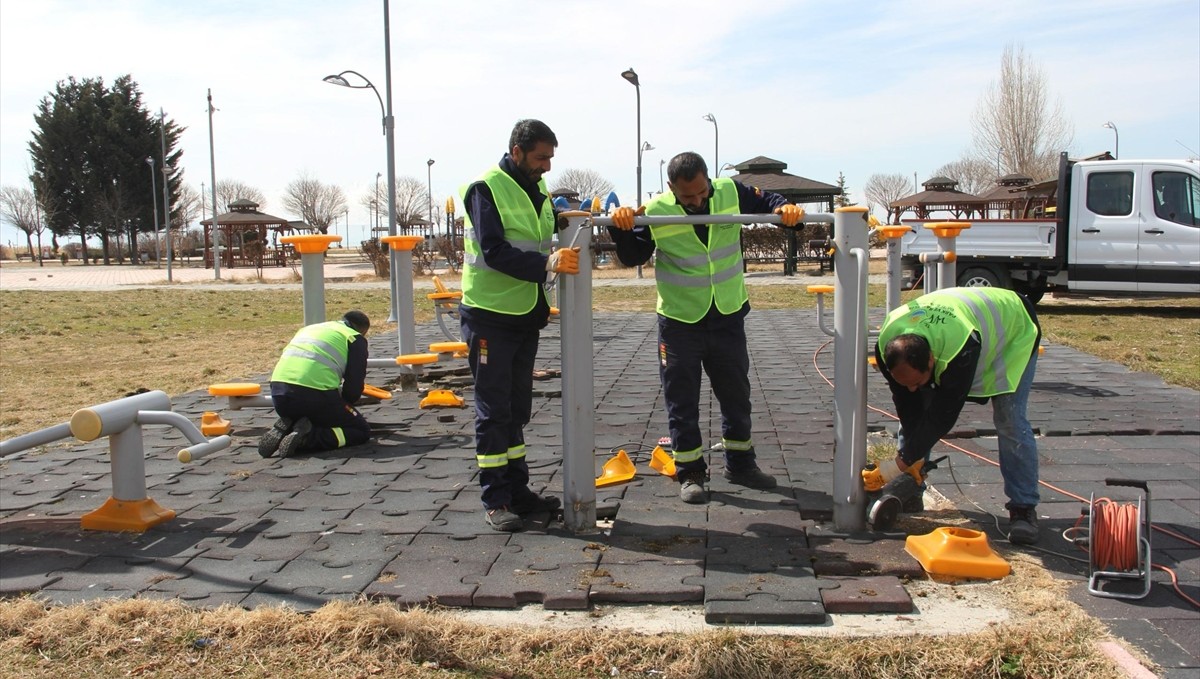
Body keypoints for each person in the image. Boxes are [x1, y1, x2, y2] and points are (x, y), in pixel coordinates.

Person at [609, 151, 804, 504]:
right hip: (680, 321)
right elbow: (633, 256)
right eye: (688, 197)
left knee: (735, 394)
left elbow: (770, 202)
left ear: (708, 180)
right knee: (682, 399)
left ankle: (741, 464)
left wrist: (786, 209)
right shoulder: (657, 211)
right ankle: (690, 472)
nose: (698, 201)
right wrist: (621, 226)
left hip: (727, 314)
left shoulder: (729, 191)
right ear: (671, 188)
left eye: (703, 193)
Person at [460, 119, 580, 532]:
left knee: (515, 410)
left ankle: (517, 490)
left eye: (550, 158)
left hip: (524, 314)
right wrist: (546, 263)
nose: (547, 166)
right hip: (490, 314)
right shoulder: (486, 188)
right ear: (516, 152)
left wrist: (565, 217)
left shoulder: (537, 189)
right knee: (494, 411)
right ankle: (495, 499)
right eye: (540, 157)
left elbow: (539, 227)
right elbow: (493, 250)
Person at [870, 287, 1042, 544]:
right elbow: (907, 404)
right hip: (965, 323)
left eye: (917, 380)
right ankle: (910, 489)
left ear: (931, 360)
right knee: (917, 413)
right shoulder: (887, 348)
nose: (912, 387)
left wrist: (898, 463)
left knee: (1009, 419)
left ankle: (1023, 508)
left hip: (1013, 327)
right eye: (905, 382)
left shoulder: (959, 350)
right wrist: (910, 460)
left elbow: (943, 415)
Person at [258, 310, 373, 459]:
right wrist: (346, 407)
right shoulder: (354, 338)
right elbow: (354, 386)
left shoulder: (309, 329)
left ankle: (289, 428)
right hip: (313, 397)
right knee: (360, 431)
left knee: (315, 415)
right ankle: (306, 439)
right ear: (362, 330)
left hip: (279, 395)